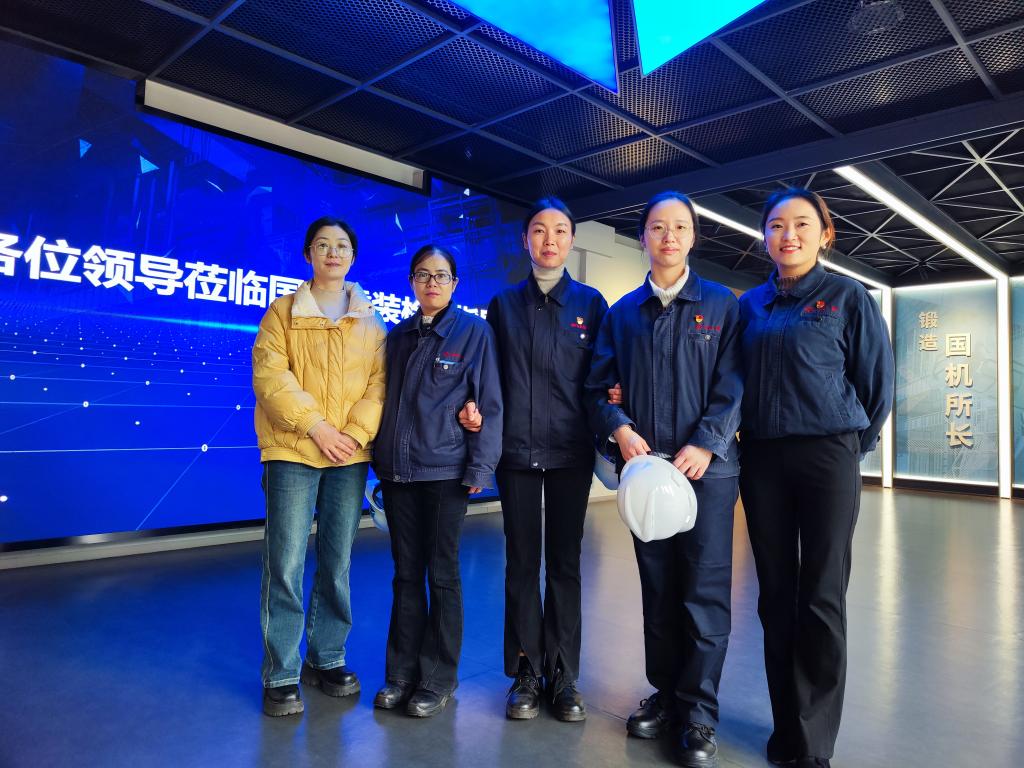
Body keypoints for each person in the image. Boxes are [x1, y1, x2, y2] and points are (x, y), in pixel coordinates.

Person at [586, 191, 743, 768]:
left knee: (703, 591)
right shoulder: (623, 313)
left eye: (679, 227)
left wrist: (706, 441)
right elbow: (598, 388)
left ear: (693, 236)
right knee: (657, 589)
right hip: (647, 473)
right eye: (657, 227)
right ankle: (666, 694)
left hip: (708, 473)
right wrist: (621, 429)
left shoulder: (722, 305)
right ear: (643, 237)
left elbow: (735, 384)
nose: (669, 237)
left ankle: (699, 712)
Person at [738, 189, 894, 768]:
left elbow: (876, 386)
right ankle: (787, 724)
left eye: (802, 224)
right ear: (764, 237)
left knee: (823, 594)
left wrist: (850, 447)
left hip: (828, 457)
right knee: (776, 595)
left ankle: (815, 742)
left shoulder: (848, 297)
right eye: (777, 225)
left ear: (825, 234)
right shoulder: (749, 306)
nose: (789, 235)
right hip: (762, 460)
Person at [252, 216, 386, 717]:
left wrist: (353, 435)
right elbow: (271, 378)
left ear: (353, 256)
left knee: (337, 560)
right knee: (284, 562)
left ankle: (327, 657)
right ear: (308, 253)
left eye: (342, 245)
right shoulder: (281, 312)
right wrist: (317, 427)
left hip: (349, 455)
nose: (333, 252)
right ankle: (282, 672)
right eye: (323, 245)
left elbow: (379, 385)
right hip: (293, 449)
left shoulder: (372, 322)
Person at [483, 198, 608, 722]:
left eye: (559, 230)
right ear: (525, 241)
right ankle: (526, 672)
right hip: (515, 452)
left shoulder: (591, 304)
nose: (549, 240)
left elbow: (602, 379)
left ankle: (563, 674)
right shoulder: (503, 304)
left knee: (564, 564)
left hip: (570, 452)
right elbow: (488, 379)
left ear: (571, 240)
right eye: (539, 230)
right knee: (520, 563)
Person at [372, 244, 503, 717]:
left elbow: (489, 404)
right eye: (423, 275)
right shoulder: (398, 336)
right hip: (398, 473)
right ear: (412, 282)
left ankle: (437, 679)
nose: (432, 283)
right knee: (406, 574)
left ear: (454, 284)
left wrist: (479, 468)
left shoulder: (473, 332)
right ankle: (400, 674)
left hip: (446, 472)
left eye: (441, 275)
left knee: (441, 574)